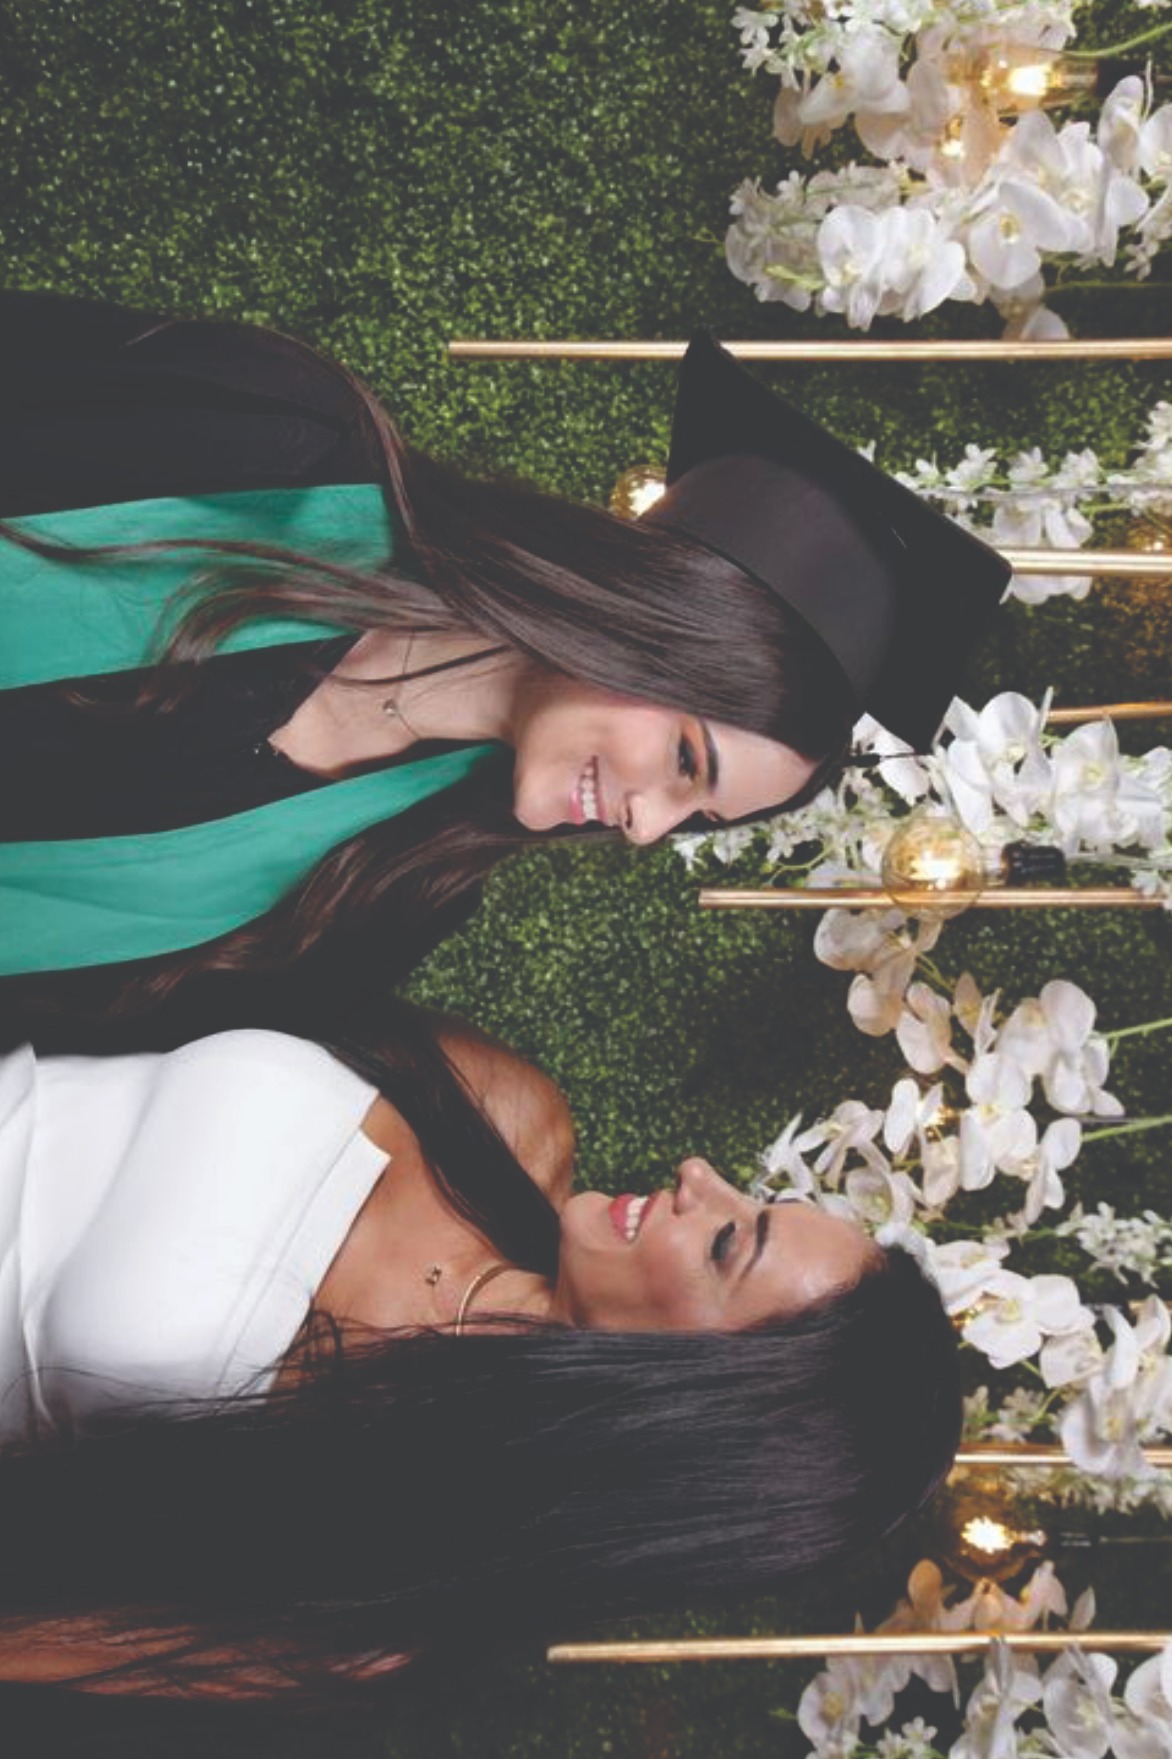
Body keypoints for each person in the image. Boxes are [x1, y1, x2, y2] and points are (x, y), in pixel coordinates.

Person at [0, 294, 1008, 1040]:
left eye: (693, 817)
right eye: (685, 762)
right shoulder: (289, 449)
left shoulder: (392, 890)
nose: (646, 826)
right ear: (650, 614)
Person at [0, 1005, 961, 1700]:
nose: (698, 1175)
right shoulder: (506, 1113)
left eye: (725, 1243)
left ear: (696, 1406)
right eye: (751, 1200)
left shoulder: (380, 1592)